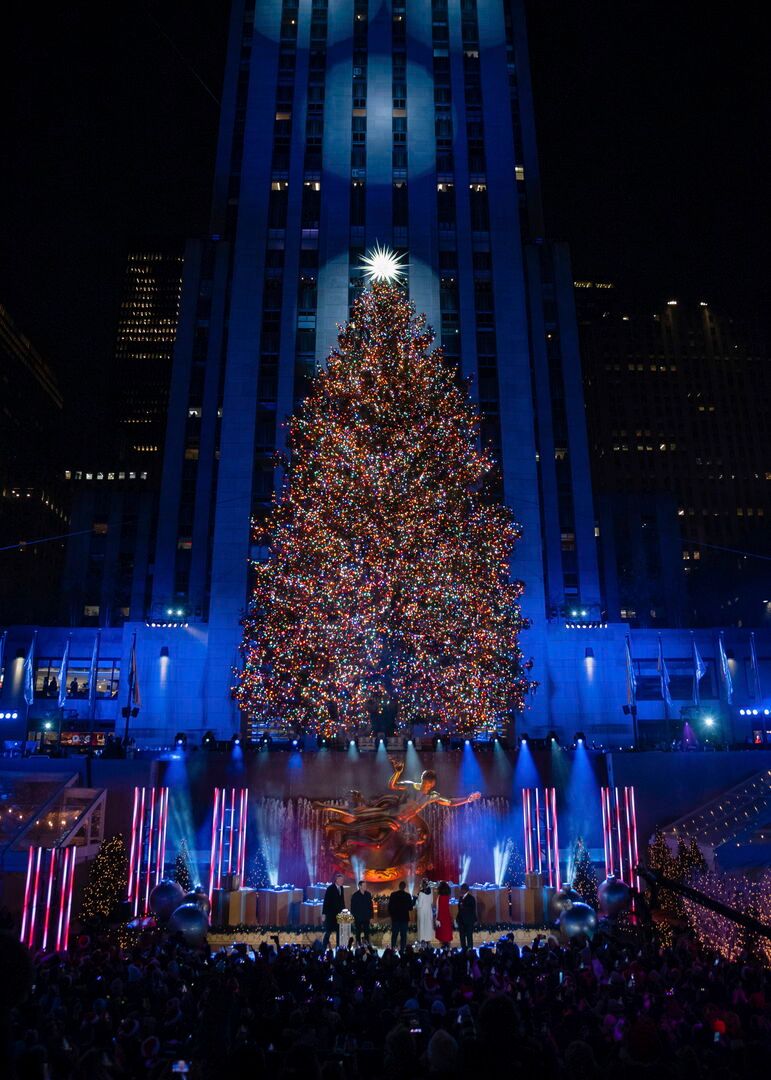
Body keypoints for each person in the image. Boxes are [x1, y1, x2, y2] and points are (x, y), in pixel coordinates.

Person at [321, 872, 346, 949]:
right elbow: (326, 902)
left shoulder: (341, 888)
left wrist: (344, 911)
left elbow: (342, 901)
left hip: (339, 915)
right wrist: (323, 914)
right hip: (330, 915)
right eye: (341, 880)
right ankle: (323, 949)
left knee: (339, 932)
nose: (342, 881)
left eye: (343, 880)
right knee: (328, 932)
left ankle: (339, 949)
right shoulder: (330, 889)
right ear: (337, 880)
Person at [388, 880, 413, 950]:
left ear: (399, 886)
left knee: (394, 935)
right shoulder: (408, 895)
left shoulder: (393, 894)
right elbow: (410, 908)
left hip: (395, 919)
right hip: (404, 919)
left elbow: (389, 907)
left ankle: (392, 950)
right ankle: (402, 950)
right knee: (403, 936)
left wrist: (392, 915)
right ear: (405, 887)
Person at [350, 879, 374, 944]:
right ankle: (358, 947)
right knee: (358, 933)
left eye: (366, 885)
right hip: (358, 918)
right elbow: (353, 908)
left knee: (367, 933)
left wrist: (371, 917)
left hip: (366, 918)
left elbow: (371, 906)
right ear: (360, 886)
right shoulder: (355, 895)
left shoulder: (368, 894)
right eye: (364, 885)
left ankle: (367, 946)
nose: (365, 886)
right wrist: (354, 917)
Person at [457, 883, 476, 950]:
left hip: (469, 921)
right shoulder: (460, 898)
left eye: (462, 889)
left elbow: (472, 909)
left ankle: (470, 950)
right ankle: (463, 949)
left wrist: (463, 905)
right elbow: (459, 909)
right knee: (462, 936)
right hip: (461, 920)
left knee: (469, 936)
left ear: (466, 890)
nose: (461, 891)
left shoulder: (471, 898)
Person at [435, 880, 453, 945]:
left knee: (442, 937)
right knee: (447, 936)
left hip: (441, 918)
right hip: (447, 918)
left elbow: (438, 909)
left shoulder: (439, 897)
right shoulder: (447, 897)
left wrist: (437, 919)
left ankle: (443, 950)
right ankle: (448, 951)